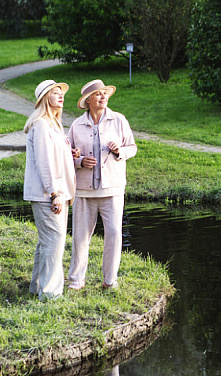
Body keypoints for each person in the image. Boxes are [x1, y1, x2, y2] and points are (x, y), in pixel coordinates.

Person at [67, 79, 137, 290]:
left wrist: (119, 151)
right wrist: (79, 161)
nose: (103, 97)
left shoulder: (119, 120)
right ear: (88, 100)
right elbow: (67, 155)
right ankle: (77, 280)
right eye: (98, 94)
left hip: (113, 188)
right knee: (80, 236)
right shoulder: (76, 125)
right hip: (84, 190)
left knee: (114, 234)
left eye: (105, 93)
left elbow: (132, 147)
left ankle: (110, 280)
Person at [24, 79, 75, 301]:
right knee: (54, 242)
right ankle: (50, 293)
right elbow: (44, 162)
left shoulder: (54, 124)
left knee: (47, 241)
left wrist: (69, 153)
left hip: (57, 192)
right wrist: (54, 193)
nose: (60, 96)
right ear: (46, 98)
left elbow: (54, 156)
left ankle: (37, 287)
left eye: (61, 92)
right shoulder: (42, 124)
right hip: (48, 194)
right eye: (55, 93)